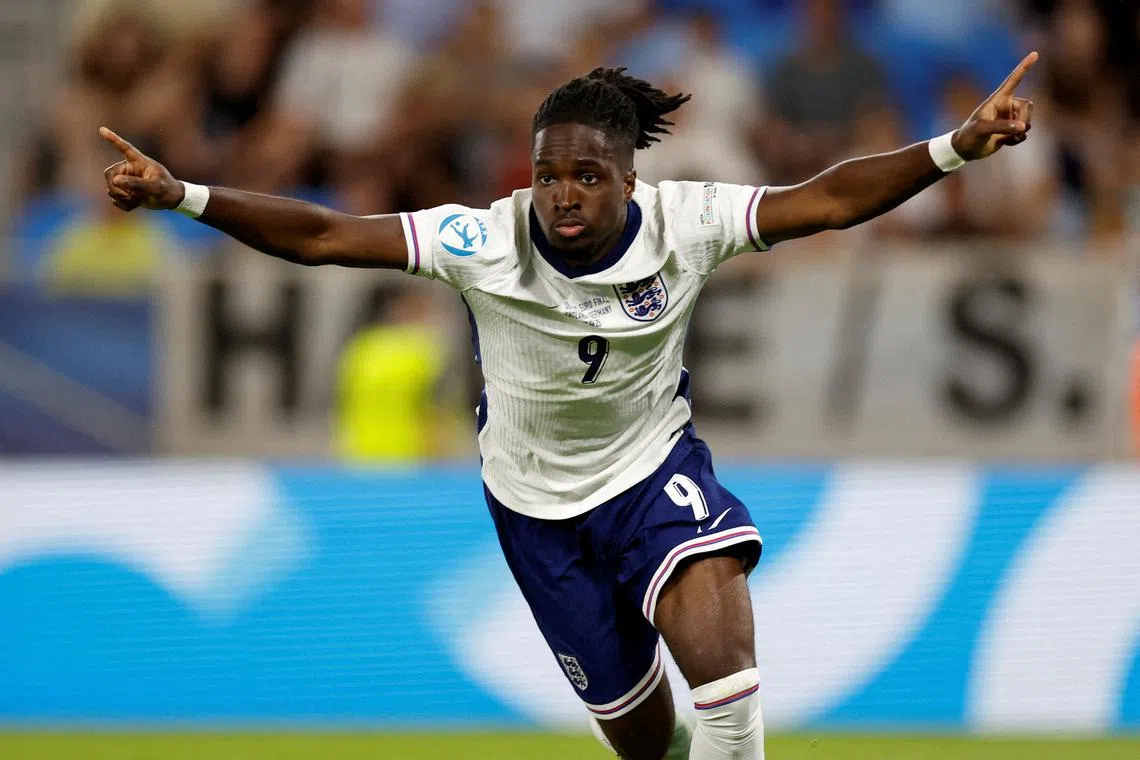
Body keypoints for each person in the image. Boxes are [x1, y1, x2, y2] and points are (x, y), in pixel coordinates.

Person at [98, 56, 1039, 760]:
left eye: (587, 176)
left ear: (630, 180)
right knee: (646, 744)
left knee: (729, 683)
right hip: (535, 510)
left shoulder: (689, 222)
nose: (562, 196)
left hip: (651, 474)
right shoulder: (483, 238)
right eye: (549, 175)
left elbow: (826, 200)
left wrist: (958, 145)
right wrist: (184, 194)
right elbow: (323, 234)